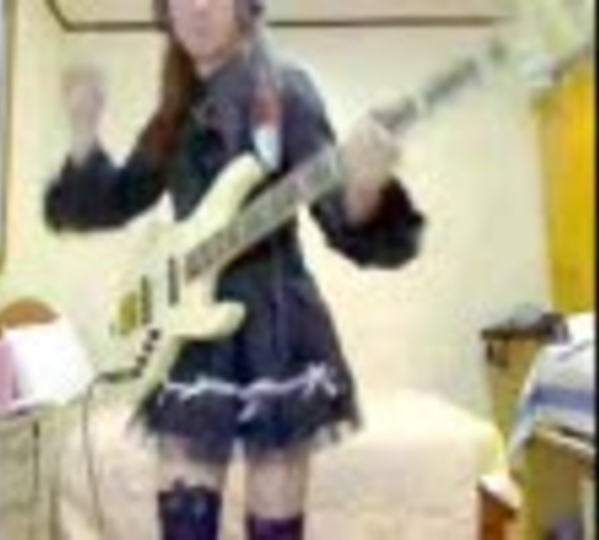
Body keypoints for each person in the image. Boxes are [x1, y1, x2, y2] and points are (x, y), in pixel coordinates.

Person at [44, 1, 425, 538]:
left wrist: (363, 189)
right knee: (184, 527)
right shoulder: (172, 114)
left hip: (277, 333)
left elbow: (341, 220)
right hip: (191, 337)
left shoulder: (287, 91)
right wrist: (83, 129)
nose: (198, 5)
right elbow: (115, 201)